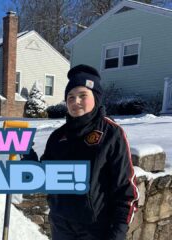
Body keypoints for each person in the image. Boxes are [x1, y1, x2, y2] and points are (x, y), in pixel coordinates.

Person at [22, 64, 139, 240]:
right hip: (61, 227)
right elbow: (45, 177)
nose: (75, 101)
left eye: (82, 95)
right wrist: (26, 152)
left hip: (96, 229)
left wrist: (118, 232)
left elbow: (126, 189)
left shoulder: (111, 133)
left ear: (97, 98)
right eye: (70, 97)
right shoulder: (57, 136)